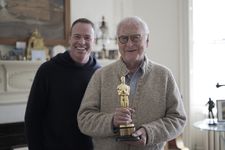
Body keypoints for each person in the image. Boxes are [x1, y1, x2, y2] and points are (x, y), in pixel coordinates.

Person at [77, 16, 187, 150]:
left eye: (136, 37)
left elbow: (178, 119)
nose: (129, 44)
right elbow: (84, 120)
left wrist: (149, 132)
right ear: (118, 42)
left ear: (147, 41)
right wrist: (112, 121)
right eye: (124, 38)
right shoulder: (101, 76)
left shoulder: (164, 76)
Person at [24, 18, 101, 150]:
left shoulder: (99, 73)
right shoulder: (47, 70)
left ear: (93, 41)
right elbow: (32, 117)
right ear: (70, 39)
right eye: (77, 36)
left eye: (87, 37)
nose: (82, 42)